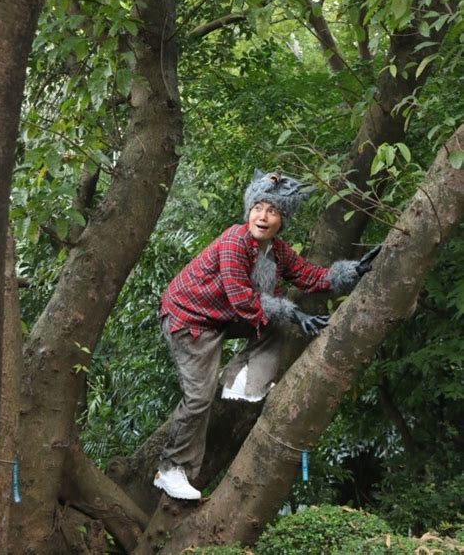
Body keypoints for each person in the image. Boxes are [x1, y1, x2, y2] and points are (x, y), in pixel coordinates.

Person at [153, 169, 380, 499]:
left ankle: (243, 381)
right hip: (190, 320)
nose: (263, 216)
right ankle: (171, 469)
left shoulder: (277, 251)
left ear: (281, 219)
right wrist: (294, 313)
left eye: (273, 210)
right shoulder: (234, 241)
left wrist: (353, 271)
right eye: (259, 207)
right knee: (199, 397)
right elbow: (242, 298)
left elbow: (310, 276)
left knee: (278, 315)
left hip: (221, 317)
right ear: (249, 210)